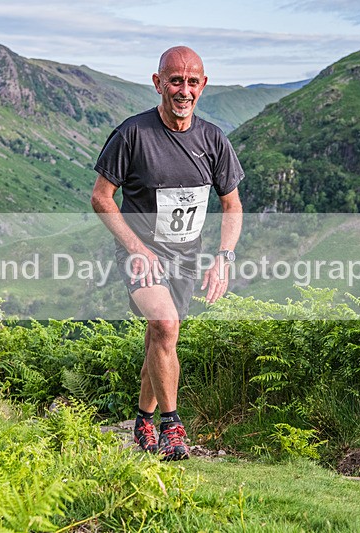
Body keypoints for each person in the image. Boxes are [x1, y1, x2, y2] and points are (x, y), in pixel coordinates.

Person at [91, 46, 244, 461]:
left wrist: (223, 258)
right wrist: (136, 247)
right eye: (175, 80)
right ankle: (172, 428)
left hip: (186, 258)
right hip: (139, 253)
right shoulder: (132, 134)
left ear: (203, 85)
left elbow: (232, 205)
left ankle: (143, 418)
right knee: (165, 323)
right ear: (158, 83)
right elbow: (102, 198)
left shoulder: (213, 139)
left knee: (162, 337)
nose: (184, 90)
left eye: (192, 81)